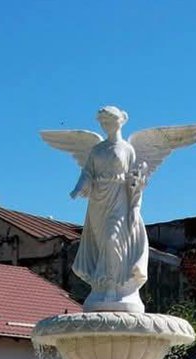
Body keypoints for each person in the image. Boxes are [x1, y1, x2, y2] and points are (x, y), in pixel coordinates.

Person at [69, 106, 148, 311]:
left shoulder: (128, 149)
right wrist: (78, 188)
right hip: (98, 201)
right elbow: (87, 172)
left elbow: (135, 179)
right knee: (101, 242)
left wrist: (135, 205)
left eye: (109, 122)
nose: (106, 126)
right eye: (103, 123)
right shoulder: (97, 149)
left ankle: (114, 287)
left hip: (119, 199)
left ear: (119, 122)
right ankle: (101, 287)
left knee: (113, 240)